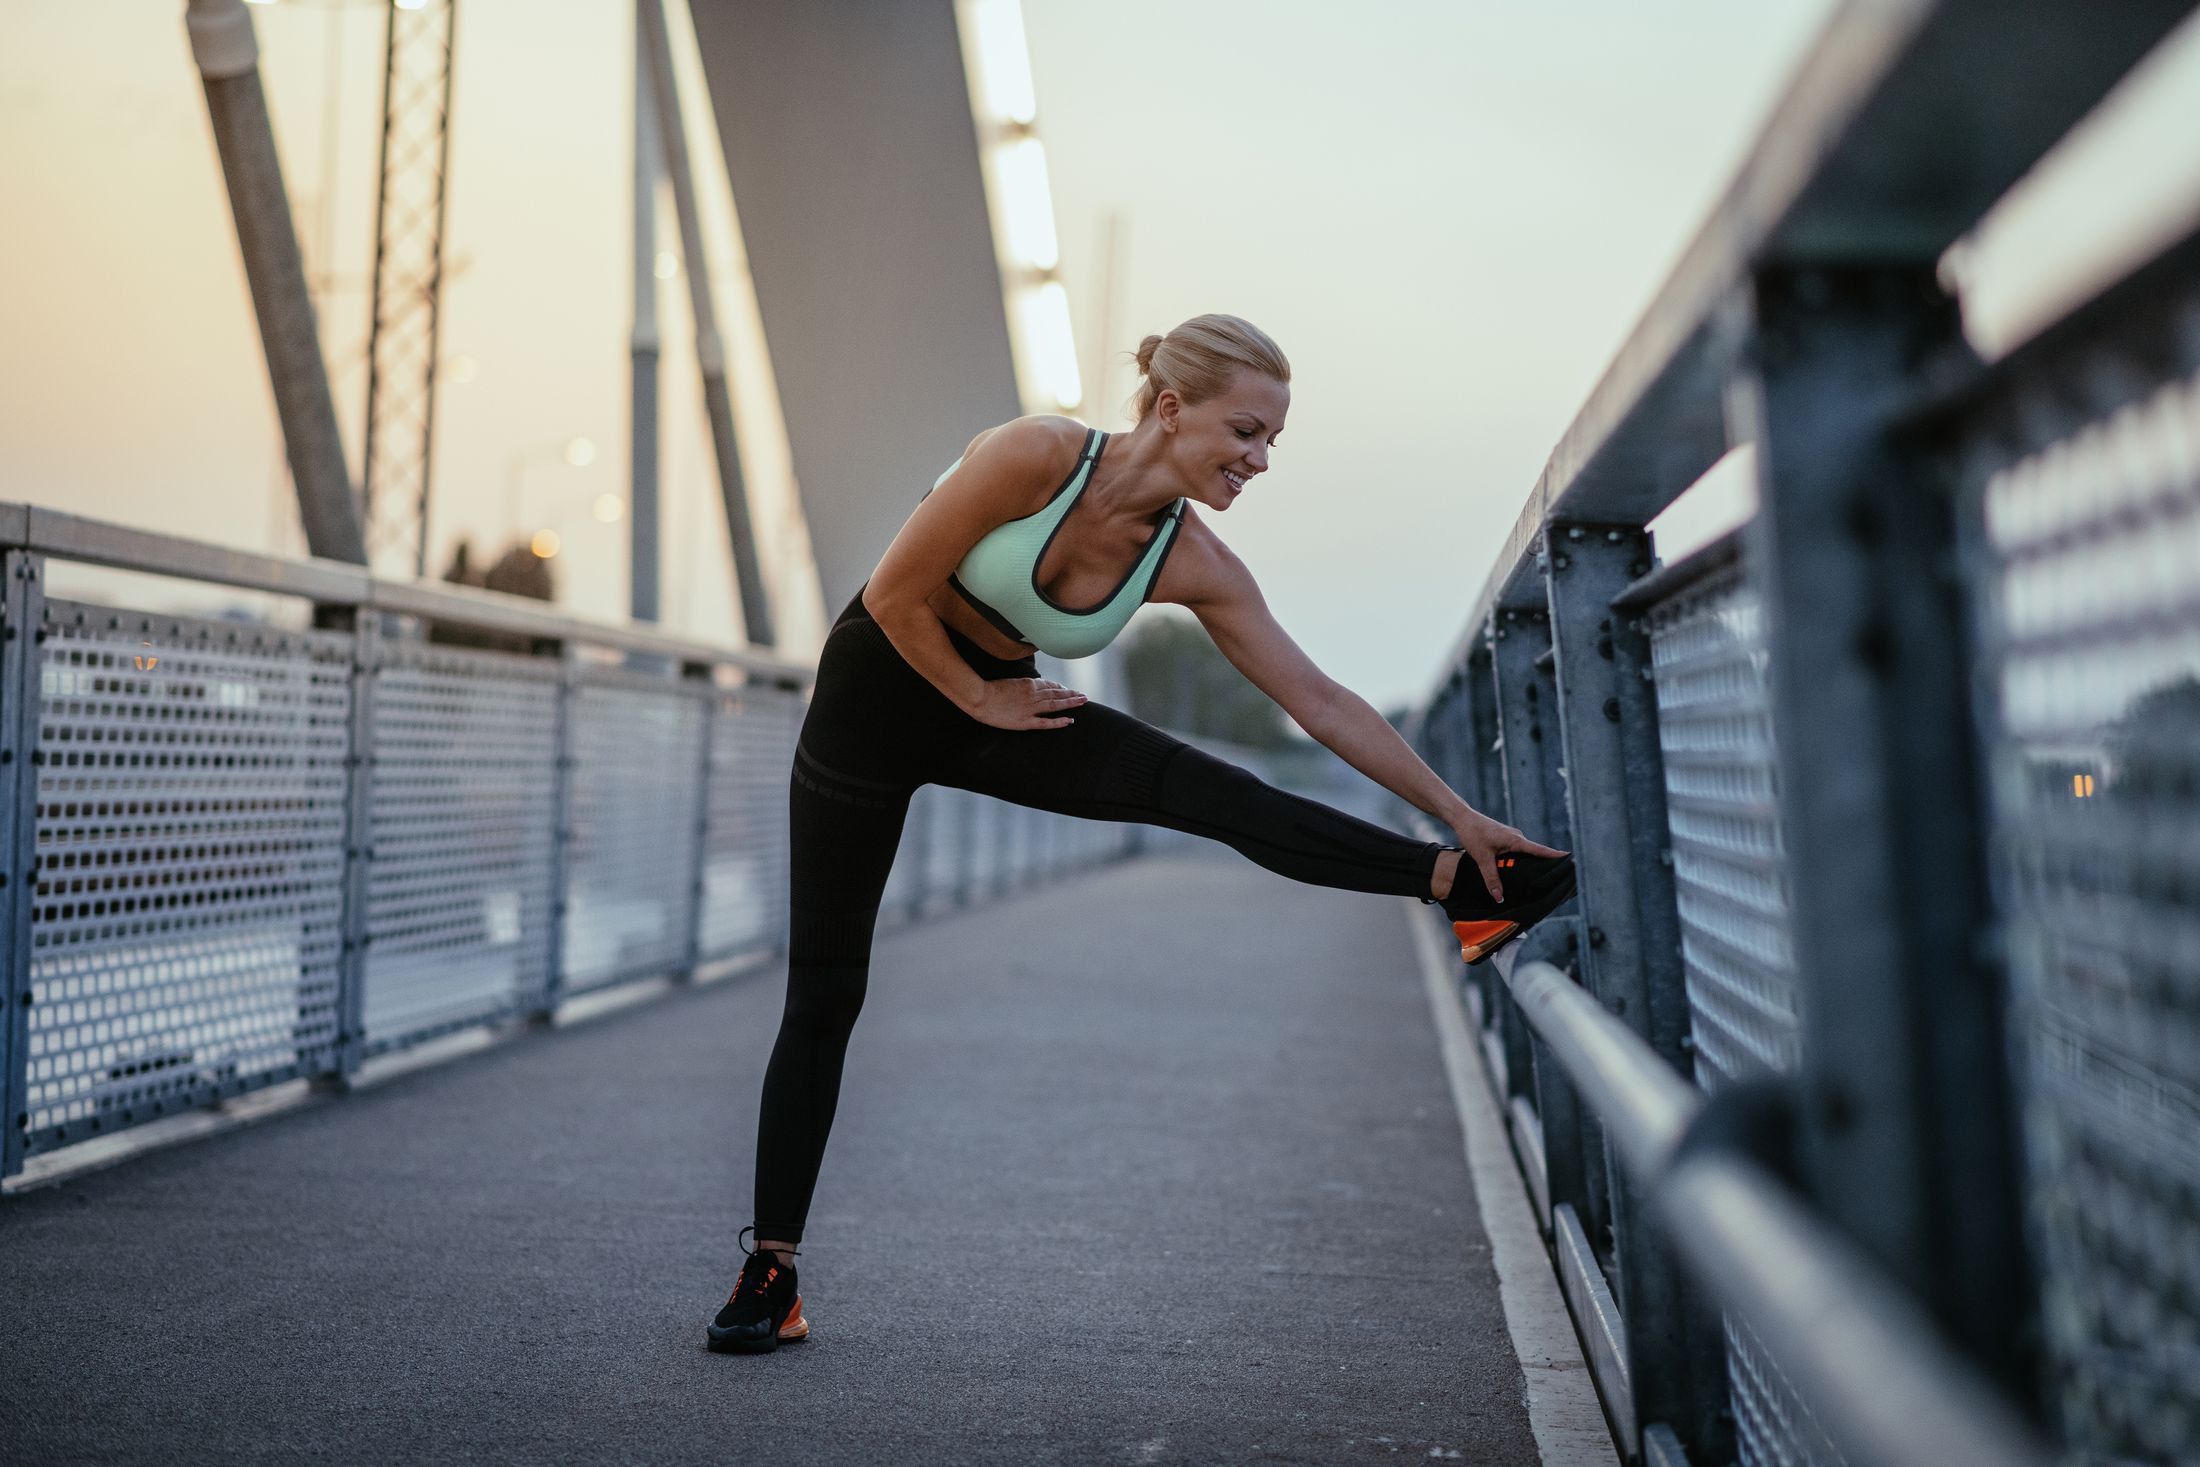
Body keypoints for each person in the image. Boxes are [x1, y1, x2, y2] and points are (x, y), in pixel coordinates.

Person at [706, 314, 1574, 1354]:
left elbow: (1320, 700)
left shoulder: (1193, 558)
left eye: (1270, 446)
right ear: (1170, 408)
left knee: (1213, 790)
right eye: (1245, 433)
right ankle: (772, 1272)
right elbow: (893, 593)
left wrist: (1460, 813)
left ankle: (1454, 886)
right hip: (876, 690)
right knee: (826, 990)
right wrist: (979, 703)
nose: (1257, 462)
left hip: (1004, 704)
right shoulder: (1033, 454)